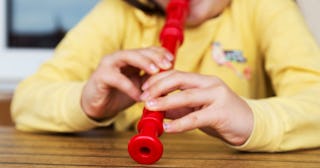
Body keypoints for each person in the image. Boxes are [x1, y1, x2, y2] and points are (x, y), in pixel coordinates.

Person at [11, 0, 320, 152]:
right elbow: (25, 101)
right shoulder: (117, 13)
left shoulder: (265, 6)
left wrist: (253, 119)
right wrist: (86, 103)